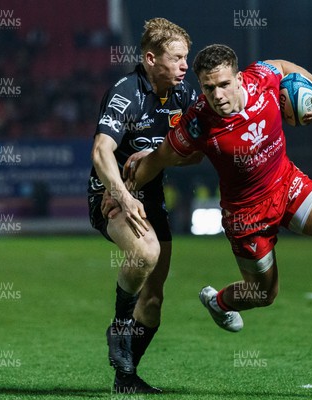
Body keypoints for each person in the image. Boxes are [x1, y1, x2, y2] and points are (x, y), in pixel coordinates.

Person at [126, 44, 312, 366]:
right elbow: (161, 158)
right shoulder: (197, 122)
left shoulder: (261, 77)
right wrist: (124, 192)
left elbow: (284, 64)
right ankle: (219, 303)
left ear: (239, 78)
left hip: (287, 184)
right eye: (208, 87)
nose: (217, 95)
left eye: (223, 84)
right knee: (263, 294)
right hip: (246, 215)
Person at [87, 18, 199, 393]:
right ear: (151, 59)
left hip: (150, 196)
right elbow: (102, 150)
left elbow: (195, 155)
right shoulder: (125, 92)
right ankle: (119, 326)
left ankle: (126, 377)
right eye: (178, 58)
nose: (186, 65)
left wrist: (156, 155)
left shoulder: (184, 96)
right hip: (110, 197)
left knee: (152, 301)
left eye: (187, 57)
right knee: (145, 250)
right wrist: (120, 193)